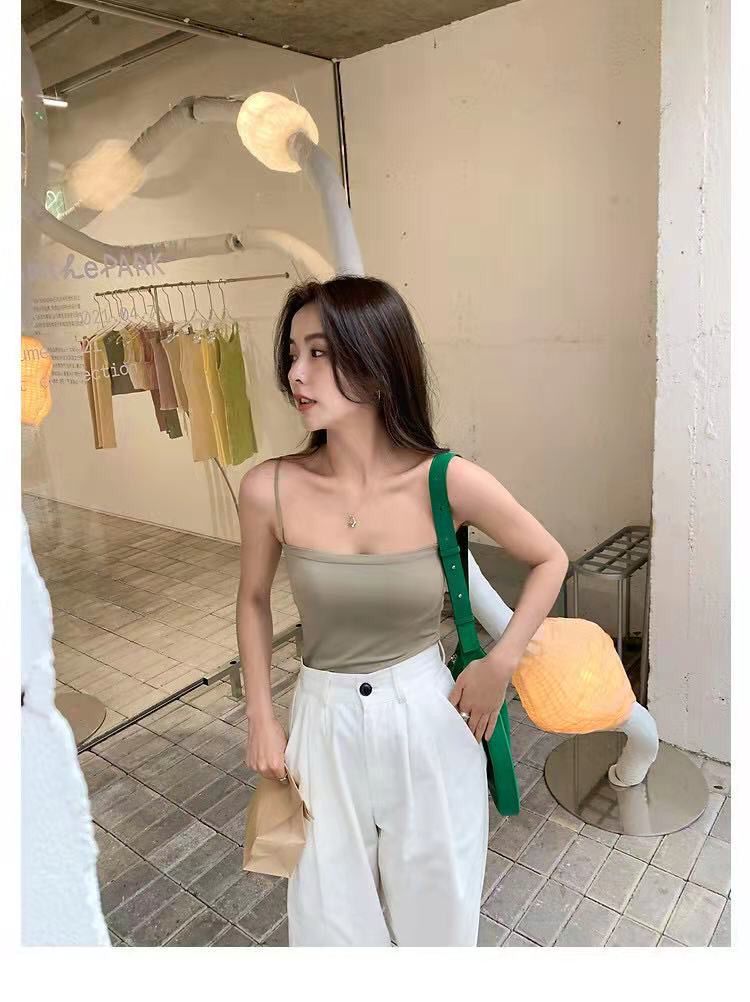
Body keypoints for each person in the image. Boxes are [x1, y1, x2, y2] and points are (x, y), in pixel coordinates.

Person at [237, 276, 568, 947]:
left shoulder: (446, 480)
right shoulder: (269, 488)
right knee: (330, 928)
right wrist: (261, 717)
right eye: (293, 353)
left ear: (376, 359)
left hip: (426, 714)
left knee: (439, 919)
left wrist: (501, 662)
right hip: (322, 721)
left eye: (320, 353)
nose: (296, 373)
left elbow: (549, 558)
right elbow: (251, 599)